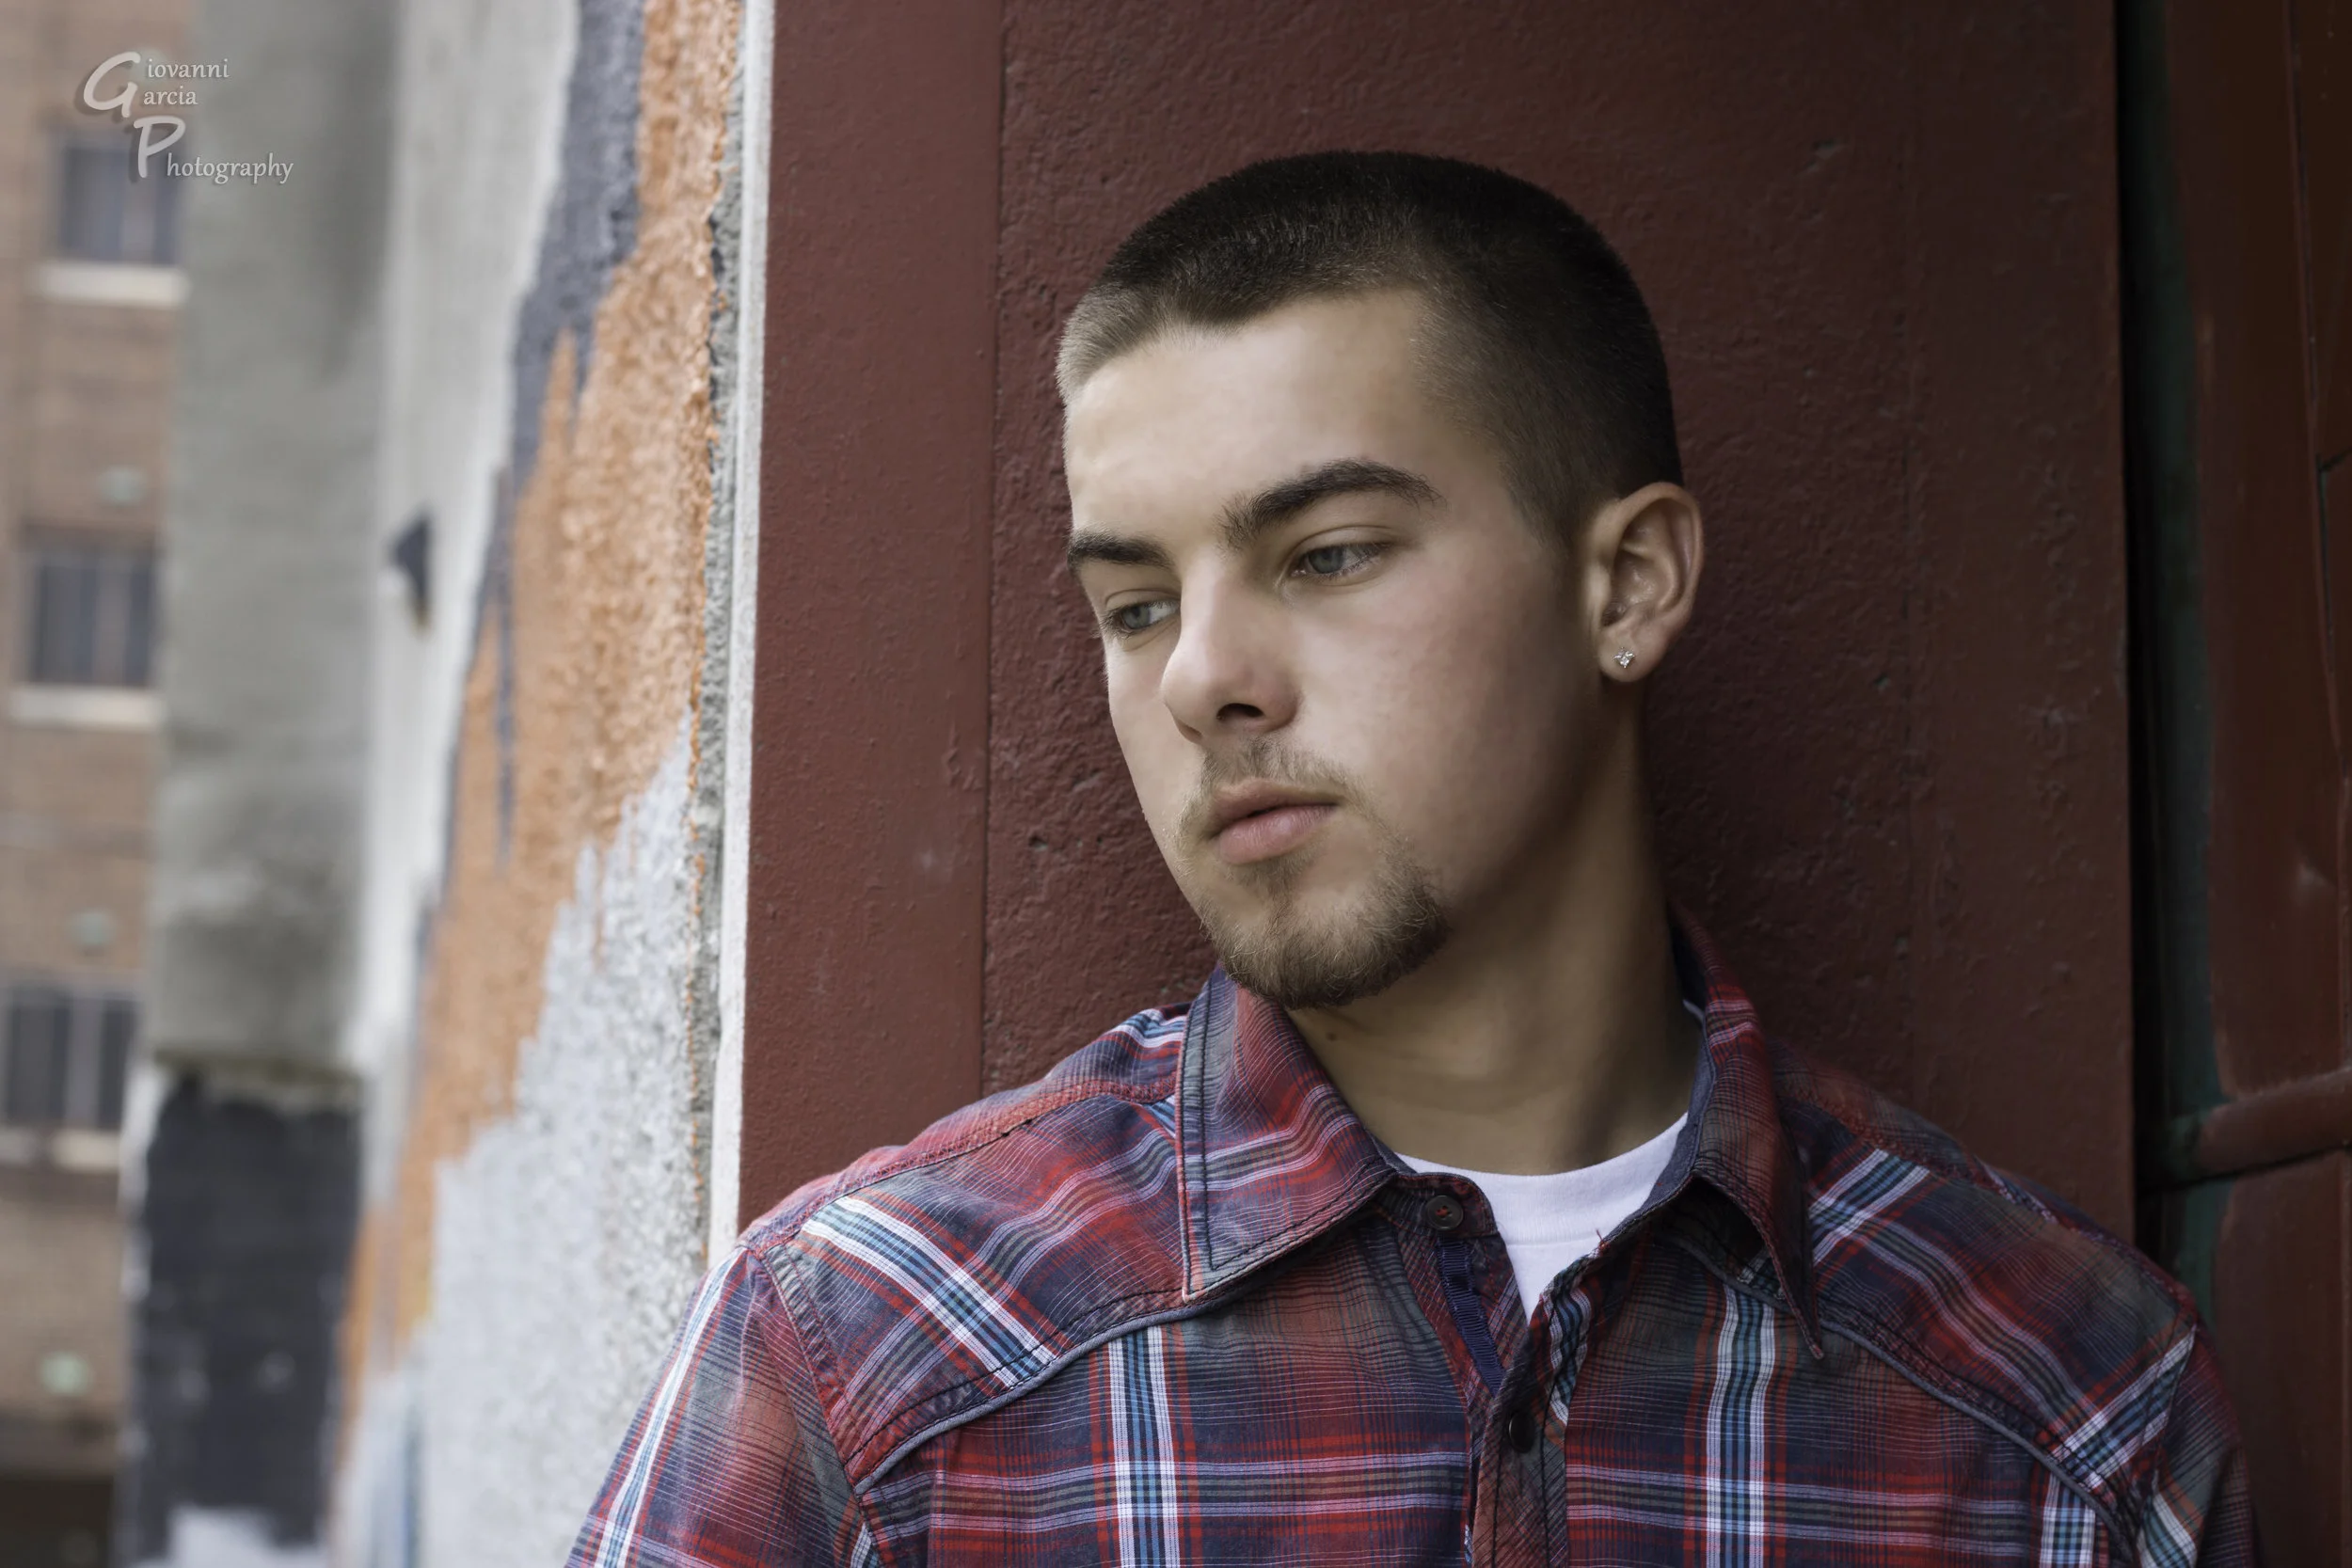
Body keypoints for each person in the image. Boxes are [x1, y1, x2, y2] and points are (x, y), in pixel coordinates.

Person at [568, 151, 2256, 1565]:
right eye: (1137, 604)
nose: (1202, 677)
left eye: (1327, 552)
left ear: (1628, 584)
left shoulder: (2066, 1410)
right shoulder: (869, 1360)